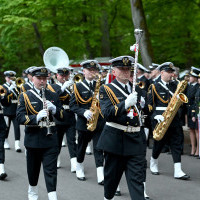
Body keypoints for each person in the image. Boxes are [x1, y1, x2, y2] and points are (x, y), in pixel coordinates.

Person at [97, 56, 147, 200]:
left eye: (128, 69)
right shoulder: (106, 89)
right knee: (112, 179)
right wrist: (125, 103)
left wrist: (144, 105)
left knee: (137, 181)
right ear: (114, 70)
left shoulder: (136, 88)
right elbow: (106, 113)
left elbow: (144, 113)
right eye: (122, 69)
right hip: (115, 140)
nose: (126, 72)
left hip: (135, 140)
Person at [16, 66, 64, 200]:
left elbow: (63, 116)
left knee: (51, 170)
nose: (42, 81)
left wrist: (55, 110)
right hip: (33, 139)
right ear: (32, 78)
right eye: (39, 78)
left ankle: (52, 195)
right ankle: (32, 191)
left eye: (44, 78)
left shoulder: (53, 95)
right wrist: (35, 117)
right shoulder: (25, 96)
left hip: (50, 139)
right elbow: (19, 117)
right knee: (33, 170)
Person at [147, 62, 190, 180]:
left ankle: (178, 170)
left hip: (174, 117)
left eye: (172, 72)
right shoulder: (154, 86)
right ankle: (153, 161)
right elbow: (149, 105)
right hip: (160, 118)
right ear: (162, 73)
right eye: (169, 72)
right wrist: (155, 116)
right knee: (159, 143)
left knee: (177, 142)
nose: (172, 74)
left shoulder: (175, 85)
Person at [69, 60, 105, 185]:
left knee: (99, 147)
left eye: (94, 70)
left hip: (99, 122)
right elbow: (72, 105)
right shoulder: (77, 86)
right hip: (84, 123)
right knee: (82, 146)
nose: (92, 72)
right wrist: (83, 112)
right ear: (83, 72)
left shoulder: (101, 85)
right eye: (89, 70)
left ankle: (101, 174)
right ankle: (79, 167)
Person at [47, 67, 77, 171]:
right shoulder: (51, 86)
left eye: (66, 76)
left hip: (70, 115)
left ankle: (74, 164)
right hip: (58, 117)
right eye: (61, 75)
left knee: (72, 141)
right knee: (57, 141)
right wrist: (63, 88)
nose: (64, 78)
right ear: (57, 76)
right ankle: (56, 160)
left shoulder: (72, 85)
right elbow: (53, 98)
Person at [3, 70, 21, 152]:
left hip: (15, 110)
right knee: (6, 128)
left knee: (17, 128)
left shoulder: (16, 86)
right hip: (6, 111)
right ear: (5, 78)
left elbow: (20, 96)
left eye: (12, 78)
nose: (10, 79)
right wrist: (9, 90)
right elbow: (2, 98)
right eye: (8, 78)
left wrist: (16, 87)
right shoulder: (2, 87)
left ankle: (17, 144)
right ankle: (5, 141)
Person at [185, 66, 200, 157]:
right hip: (189, 110)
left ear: (194, 78)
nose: (189, 78)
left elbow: (196, 101)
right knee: (191, 129)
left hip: (195, 110)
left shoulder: (198, 87)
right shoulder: (188, 85)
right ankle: (193, 148)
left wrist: (194, 112)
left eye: (191, 76)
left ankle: (198, 149)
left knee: (197, 130)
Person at [0, 91, 9, 180]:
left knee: (1, 146)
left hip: (0, 123)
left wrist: (4, 96)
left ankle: (1, 170)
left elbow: (6, 104)